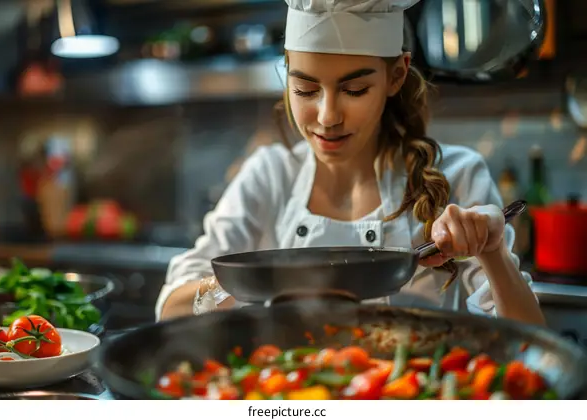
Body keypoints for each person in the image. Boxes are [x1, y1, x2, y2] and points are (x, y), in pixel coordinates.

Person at [155, 0, 545, 326]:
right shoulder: (269, 176)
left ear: (396, 75)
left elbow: (528, 343)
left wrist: (492, 253)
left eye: (354, 90)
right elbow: (170, 308)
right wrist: (260, 280)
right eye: (305, 89)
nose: (327, 116)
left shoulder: (457, 175)